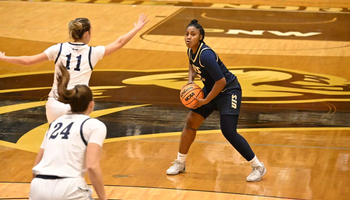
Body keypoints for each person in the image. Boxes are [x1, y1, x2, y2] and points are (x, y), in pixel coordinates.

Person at [166, 19, 267, 182]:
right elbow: (191, 65)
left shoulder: (206, 54)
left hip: (228, 91)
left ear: (201, 37)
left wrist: (205, 101)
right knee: (191, 121)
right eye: (186, 34)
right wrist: (190, 80)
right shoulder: (191, 51)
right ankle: (180, 162)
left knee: (228, 131)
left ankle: (258, 166)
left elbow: (221, 82)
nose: (188, 37)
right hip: (211, 89)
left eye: (193, 34)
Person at [0, 14, 148, 123]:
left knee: (55, 143)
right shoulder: (92, 52)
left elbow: (28, 61)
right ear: (87, 33)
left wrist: (5, 58)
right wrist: (136, 29)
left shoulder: (58, 48)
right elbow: (119, 42)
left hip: (54, 104)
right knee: (76, 148)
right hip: (76, 104)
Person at [30, 64, 107, 200]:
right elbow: (92, 166)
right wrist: (103, 198)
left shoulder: (54, 124)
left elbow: (36, 165)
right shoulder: (94, 125)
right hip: (69, 187)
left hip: (39, 185)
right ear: (92, 104)